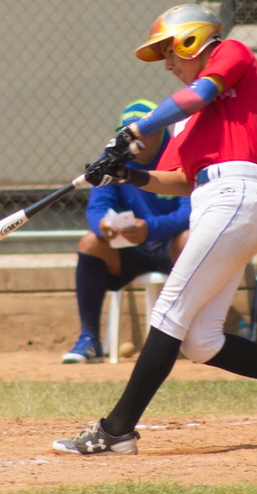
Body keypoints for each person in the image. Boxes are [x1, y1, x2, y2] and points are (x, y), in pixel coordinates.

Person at [52, 4, 257, 456]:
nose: (168, 65)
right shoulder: (184, 121)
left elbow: (199, 93)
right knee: (202, 341)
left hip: (236, 197)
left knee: (168, 312)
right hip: (214, 205)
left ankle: (116, 431)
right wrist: (124, 172)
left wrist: (136, 128)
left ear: (192, 40)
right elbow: (178, 181)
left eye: (171, 52)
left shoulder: (231, 54)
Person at [61, 99, 191, 364]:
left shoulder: (180, 154)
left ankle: (191, 337)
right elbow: (97, 208)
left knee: (191, 239)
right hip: (130, 247)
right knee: (90, 242)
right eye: (128, 133)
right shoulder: (113, 160)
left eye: (144, 132)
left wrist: (150, 229)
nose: (135, 142)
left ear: (159, 130)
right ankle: (89, 339)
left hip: (171, 245)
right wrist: (104, 227)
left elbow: (191, 211)